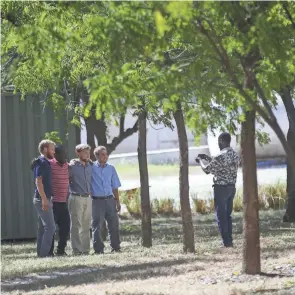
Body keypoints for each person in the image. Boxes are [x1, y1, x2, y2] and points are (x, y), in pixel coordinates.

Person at [196, 132, 239, 248]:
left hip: (221, 188)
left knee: (221, 216)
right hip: (231, 188)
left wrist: (200, 160)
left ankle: (226, 242)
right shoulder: (235, 155)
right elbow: (223, 166)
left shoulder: (221, 156)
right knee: (228, 215)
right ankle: (229, 240)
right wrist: (208, 158)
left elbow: (207, 170)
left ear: (221, 141)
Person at [91, 146, 121, 254]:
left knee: (113, 224)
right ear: (97, 156)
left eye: (106, 154)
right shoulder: (91, 168)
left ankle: (116, 247)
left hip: (110, 200)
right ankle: (98, 250)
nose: (105, 156)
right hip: (97, 201)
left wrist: (117, 201)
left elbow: (115, 186)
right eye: (103, 154)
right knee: (97, 225)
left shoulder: (111, 168)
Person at [31, 140, 56, 257]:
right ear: (45, 149)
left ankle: (40, 254)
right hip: (42, 199)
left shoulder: (46, 163)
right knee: (50, 227)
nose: (54, 151)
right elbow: (38, 182)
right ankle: (44, 255)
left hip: (44, 198)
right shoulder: (41, 163)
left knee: (42, 228)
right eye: (52, 149)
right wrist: (45, 200)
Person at [68, 144, 92, 255]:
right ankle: (76, 250)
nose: (87, 154)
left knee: (86, 224)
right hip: (76, 197)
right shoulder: (72, 166)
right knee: (76, 225)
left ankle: (85, 249)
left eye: (88, 152)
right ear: (78, 153)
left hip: (88, 198)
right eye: (85, 152)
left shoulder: (90, 166)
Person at [49, 145, 70, 256]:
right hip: (53, 202)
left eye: (66, 153)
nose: (65, 156)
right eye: (62, 153)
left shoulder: (67, 165)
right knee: (51, 228)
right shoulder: (50, 164)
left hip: (63, 202)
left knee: (65, 228)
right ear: (55, 155)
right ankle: (49, 251)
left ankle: (61, 251)